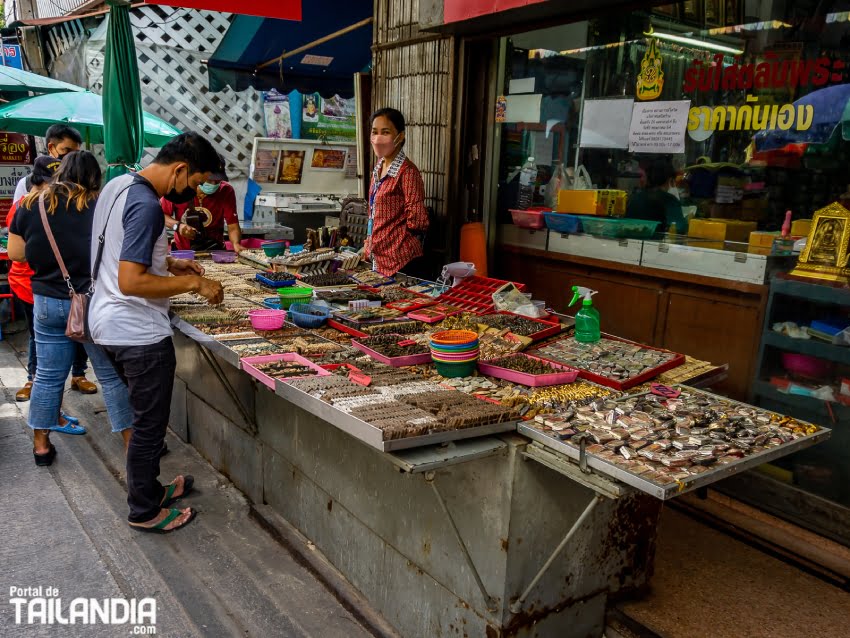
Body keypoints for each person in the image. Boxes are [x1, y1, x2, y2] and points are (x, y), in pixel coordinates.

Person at [89, 132, 224, 534]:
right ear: (180, 169)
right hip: (136, 331)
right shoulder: (148, 205)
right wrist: (194, 285)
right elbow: (130, 280)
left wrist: (171, 266)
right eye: (196, 182)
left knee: (144, 420)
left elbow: (119, 250)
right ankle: (143, 510)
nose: (194, 191)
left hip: (107, 321)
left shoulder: (118, 185)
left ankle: (150, 489)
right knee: (149, 426)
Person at [6, 151, 134, 466]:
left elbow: (16, 254)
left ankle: (41, 446)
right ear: (95, 179)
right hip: (92, 303)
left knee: (48, 375)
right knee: (110, 376)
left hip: (47, 302)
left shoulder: (29, 205)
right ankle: (133, 447)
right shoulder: (100, 208)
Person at [11, 123, 97, 397]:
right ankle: (31, 378)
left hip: (50, 288)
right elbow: (18, 248)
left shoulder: (80, 200)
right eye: (66, 152)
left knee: (50, 369)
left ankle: (75, 376)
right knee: (108, 372)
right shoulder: (26, 194)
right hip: (41, 284)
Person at [363, 108, 429, 278]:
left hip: (400, 261)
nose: (378, 138)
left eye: (385, 132)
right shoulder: (378, 168)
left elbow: (419, 220)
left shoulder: (407, 172)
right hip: (377, 259)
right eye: (374, 132)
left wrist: (396, 240)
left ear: (400, 136)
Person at [161, 153, 244, 253]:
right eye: (209, 180)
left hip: (215, 250)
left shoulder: (226, 191)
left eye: (217, 181)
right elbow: (161, 215)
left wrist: (236, 244)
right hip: (183, 252)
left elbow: (233, 225)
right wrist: (178, 226)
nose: (213, 184)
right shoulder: (178, 188)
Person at [625, 158, 687, 235]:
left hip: (630, 243)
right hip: (656, 244)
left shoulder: (635, 197)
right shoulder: (670, 200)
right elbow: (679, 228)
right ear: (670, 180)